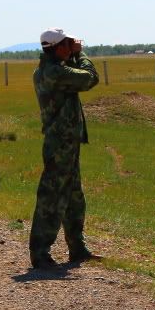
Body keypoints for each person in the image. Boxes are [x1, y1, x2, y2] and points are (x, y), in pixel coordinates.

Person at [29, 27, 102, 269]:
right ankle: (40, 253)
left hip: (66, 142)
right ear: (56, 47)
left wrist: (71, 54)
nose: (71, 46)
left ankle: (77, 247)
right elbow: (90, 77)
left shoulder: (51, 69)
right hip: (60, 143)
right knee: (51, 198)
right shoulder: (54, 72)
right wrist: (81, 55)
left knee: (73, 196)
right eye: (67, 43)